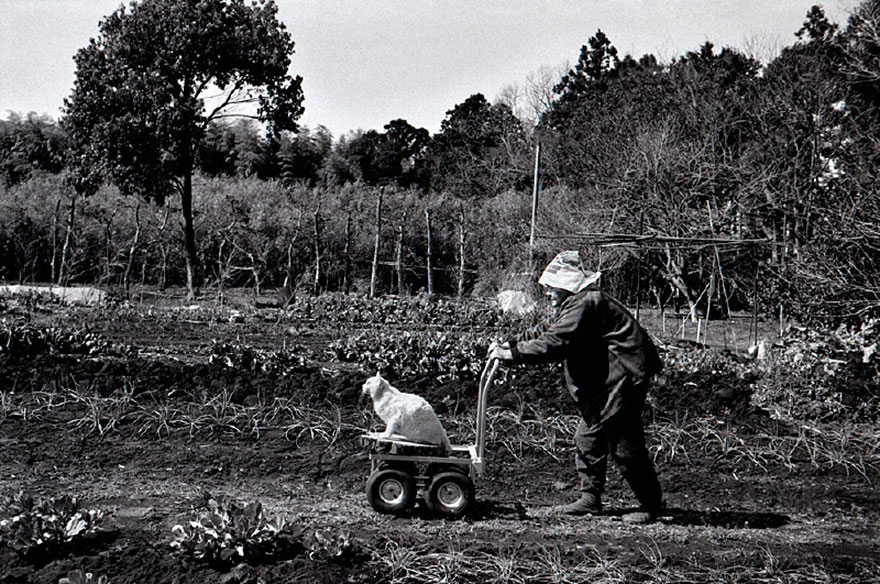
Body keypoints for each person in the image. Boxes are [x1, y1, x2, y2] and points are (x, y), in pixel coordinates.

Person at [487, 250, 664, 524]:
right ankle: (590, 499)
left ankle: (651, 504)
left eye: (550, 288)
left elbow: (557, 342)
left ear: (565, 285)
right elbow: (548, 329)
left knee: (623, 444)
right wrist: (511, 343)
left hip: (623, 378)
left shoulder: (586, 303)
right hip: (608, 381)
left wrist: (513, 354)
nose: (547, 293)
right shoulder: (577, 302)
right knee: (587, 437)